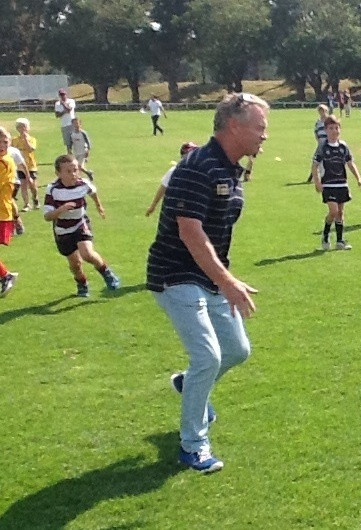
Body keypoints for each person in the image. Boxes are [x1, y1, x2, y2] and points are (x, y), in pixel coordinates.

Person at [146, 92, 269, 473]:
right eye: (260, 128)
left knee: (236, 350)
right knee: (208, 357)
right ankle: (193, 446)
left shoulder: (231, 168)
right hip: (175, 274)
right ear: (235, 125)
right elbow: (190, 232)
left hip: (208, 275)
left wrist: (224, 278)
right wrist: (228, 281)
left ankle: (188, 384)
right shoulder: (199, 166)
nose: (265, 136)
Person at [43, 154, 121, 298]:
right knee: (75, 264)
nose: (73, 174)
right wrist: (61, 210)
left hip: (80, 223)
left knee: (87, 254)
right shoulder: (52, 189)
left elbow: (93, 192)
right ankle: (82, 283)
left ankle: (107, 273)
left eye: (75, 170)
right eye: (68, 171)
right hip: (62, 230)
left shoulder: (83, 184)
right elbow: (47, 216)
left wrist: (99, 206)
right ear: (58, 173)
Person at [313, 116, 361, 251]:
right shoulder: (322, 147)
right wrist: (317, 181)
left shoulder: (343, 146)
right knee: (333, 211)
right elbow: (315, 165)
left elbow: (350, 163)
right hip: (328, 185)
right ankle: (325, 234)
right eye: (331, 128)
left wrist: (358, 178)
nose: (334, 131)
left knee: (340, 212)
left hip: (342, 183)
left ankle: (340, 241)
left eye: (336, 128)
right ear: (326, 130)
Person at [145, 142, 200, 217]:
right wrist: (153, 206)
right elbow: (163, 187)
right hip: (178, 209)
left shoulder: (201, 171)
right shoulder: (174, 171)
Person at [0, 127, 20, 297]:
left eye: (6, 142)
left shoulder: (5, 162)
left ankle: (5, 276)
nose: (3, 145)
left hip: (1, 212)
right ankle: (5, 275)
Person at [12, 118, 40, 211]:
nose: (22, 129)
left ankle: (35, 199)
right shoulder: (14, 140)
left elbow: (31, 149)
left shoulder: (32, 139)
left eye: (24, 126)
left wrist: (26, 140)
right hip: (20, 167)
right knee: (23, 185)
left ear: (27, 128)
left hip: (31, 166)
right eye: (19, 127)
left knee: (33, 186)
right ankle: (27, 204)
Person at [306, 104, 330, 183]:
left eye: (322, 110)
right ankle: (313, 176)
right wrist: (318, 140)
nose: (321, 112)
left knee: (325, 160)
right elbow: (316, 132)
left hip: (328, 142)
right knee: (316, 159)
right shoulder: (318, 122)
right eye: (320, 110)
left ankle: (321, 176)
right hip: (320, 143)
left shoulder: (329, 120)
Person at [54, 88, 76, 153]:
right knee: (67, 142)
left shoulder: (71, 101)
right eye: (61, 95)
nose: (63, 96)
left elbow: (69, 110)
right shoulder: (57, 104)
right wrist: (64, 111)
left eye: (63, 94)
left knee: (75, 140)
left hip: (72, 123)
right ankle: (69, 154)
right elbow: (57, 115)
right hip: (64, 124)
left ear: (66, 94)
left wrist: (63, 104)